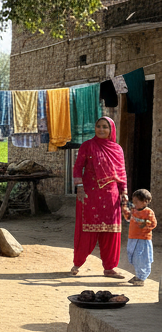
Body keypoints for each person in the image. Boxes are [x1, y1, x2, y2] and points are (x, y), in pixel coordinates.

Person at [70, 117, 129, 279]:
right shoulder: (87, 146)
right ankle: (77, 263)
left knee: (111, 233)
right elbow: (77, 168)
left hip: (111, 197)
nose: (101, 129)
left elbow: (122, 176)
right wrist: (80, 188)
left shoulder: (117, 149)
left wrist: (124, 197)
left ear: (111, 130)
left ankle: (110, 268)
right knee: (87, 230)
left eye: (105, 127)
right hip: (90, 195)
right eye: (98, 126)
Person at [124, 189, 156, 287]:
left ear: (145, 202)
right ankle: (138, 275)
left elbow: (153, 224)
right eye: (133, 201)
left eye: (136, 202)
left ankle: (141, 277)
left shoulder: (148, 212)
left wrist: (144, 225)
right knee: (135, 257)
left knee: (142, 258)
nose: (134, 204)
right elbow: (128, 218)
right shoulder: (134, 210)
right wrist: (125, 210)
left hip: (143, 239)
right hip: (133, 237)